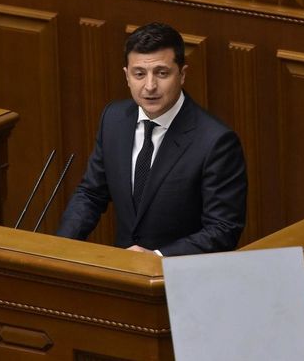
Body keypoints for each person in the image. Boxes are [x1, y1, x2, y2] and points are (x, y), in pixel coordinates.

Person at [57, 22, 247, 256]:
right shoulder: (113, 119)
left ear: (182, 75)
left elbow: (223, 229)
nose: (150, 86)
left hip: (176, 272)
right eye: (139, 74)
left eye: (161, 73)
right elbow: (91, 193)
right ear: (127, 76)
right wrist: (61, 248)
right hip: (122, 270)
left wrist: (157, 257)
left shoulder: (216, 142)